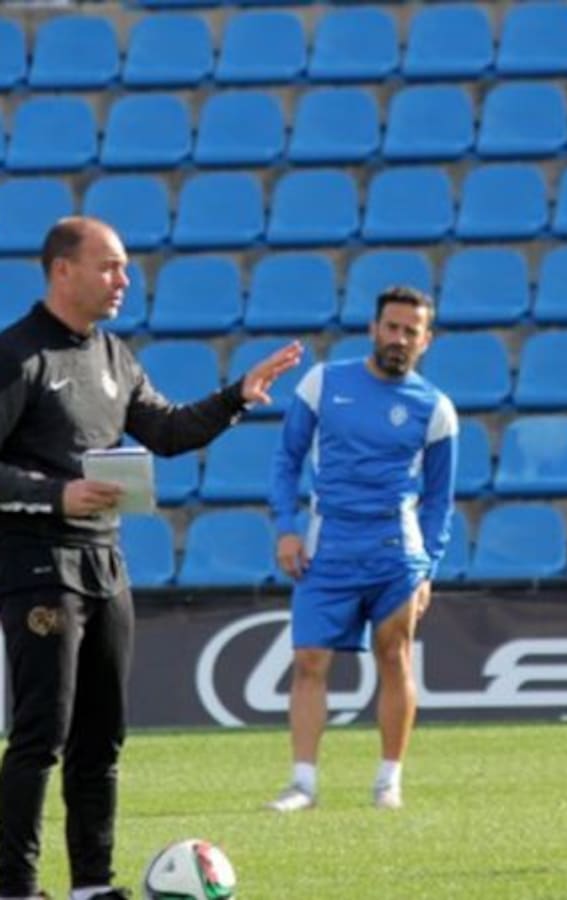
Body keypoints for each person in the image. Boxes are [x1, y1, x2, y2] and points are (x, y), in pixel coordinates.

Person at [0, 216, 302, 900]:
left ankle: (91, 885)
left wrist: (235, 397)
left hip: (105, 563)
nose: (123, 280)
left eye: (125, 267)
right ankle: (15, 886)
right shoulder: (17, 356)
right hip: (38, 566)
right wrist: (56, 494)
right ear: (62, 270)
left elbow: (165, 430)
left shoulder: (114, 356)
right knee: (41, 735)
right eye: (109, 266)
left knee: (102, 737)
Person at [266, 286, 457, 814]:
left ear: (426, 340)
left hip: (396, 553)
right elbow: (286, 460)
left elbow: (439, 500)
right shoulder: (323, 382)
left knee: (395, 655)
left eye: (411, 331)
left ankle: (388, 782)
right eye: (391, 327)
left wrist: (428, 568)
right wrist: (286, 528)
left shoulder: (436, 408)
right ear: (374, 329)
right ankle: (303, 785)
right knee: (309, 660)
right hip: (327, 546)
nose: (399, 338)